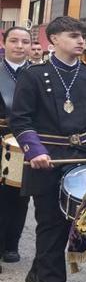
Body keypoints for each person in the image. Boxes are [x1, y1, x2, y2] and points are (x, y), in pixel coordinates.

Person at [11, 17, 86, 282]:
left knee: (79, 224)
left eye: (82, 36)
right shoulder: (34, 75)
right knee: (51, 224)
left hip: (84, 158)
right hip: (46, 158)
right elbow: (21, 118)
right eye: (73, 35)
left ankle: (40, 270)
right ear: (54, 40)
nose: (80, 41)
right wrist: (34, 149)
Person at [0, 26, 32, 264]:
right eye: (14, 41)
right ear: (5, 43)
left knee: (20, 195)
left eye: (25, 42)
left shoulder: (38, 74)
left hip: (25, 141)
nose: (19, 46)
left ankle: (12, 243)